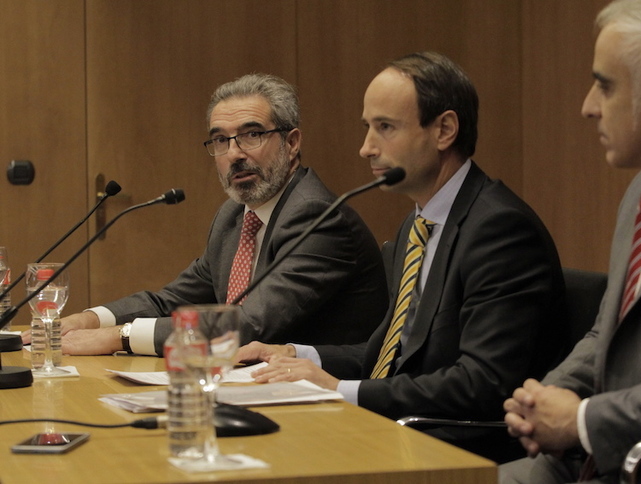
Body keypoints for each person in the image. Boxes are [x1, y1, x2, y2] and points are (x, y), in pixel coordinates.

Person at [235, 52, 566, 456]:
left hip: (458, 448)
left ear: (444, 130)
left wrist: (340, 391)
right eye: (367, 128)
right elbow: (393, 356)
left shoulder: (499, 230)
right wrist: (298, 354)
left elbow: (482, 382)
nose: (366, 149)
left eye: (385, 128)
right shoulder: (418, 225)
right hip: (400, 431)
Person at [500, 1, 641, 482]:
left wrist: (578, 421)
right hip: (597, 458)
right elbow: (608, 333)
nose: (588, 105)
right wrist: (544, 399)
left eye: (605, 85)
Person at [43, 73, 388, 356]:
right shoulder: (235, 216)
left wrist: (123, 336)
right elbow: (171, 301)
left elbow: (248, 324)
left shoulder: (318, 217)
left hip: (325, 401)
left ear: (292, 142)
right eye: (221, 141)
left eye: (252, 135)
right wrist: (91, 319)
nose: (234, 154)